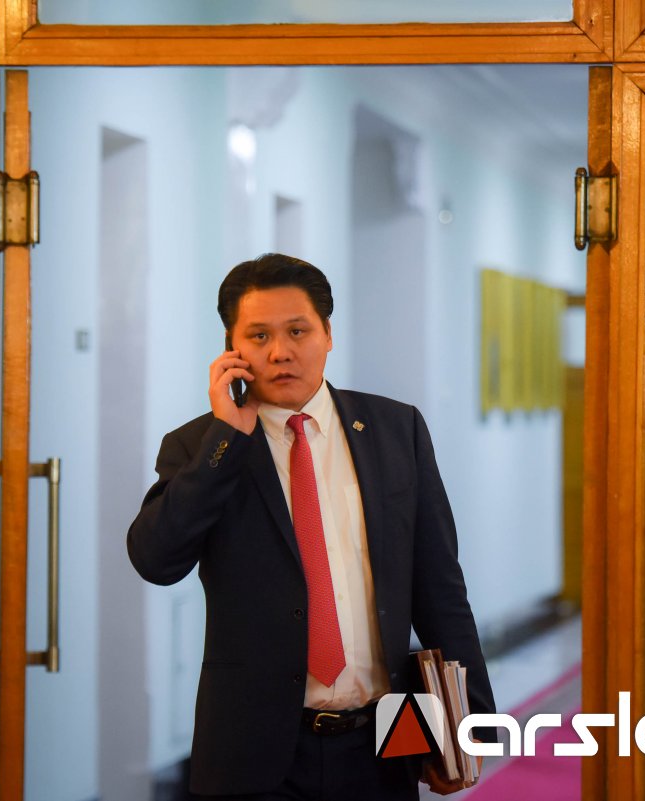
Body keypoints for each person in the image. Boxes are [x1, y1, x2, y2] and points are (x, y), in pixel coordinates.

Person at [128, 253, 495, 800]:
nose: (280, 351)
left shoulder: (396, 431)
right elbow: (156, 560)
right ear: (231, 349)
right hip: (254, 755)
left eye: (297, 330)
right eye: (259, 336)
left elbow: (439, 583)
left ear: (327, 334)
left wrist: (472, 723)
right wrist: (226, 441)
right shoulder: (201, 446)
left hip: (383, 742)